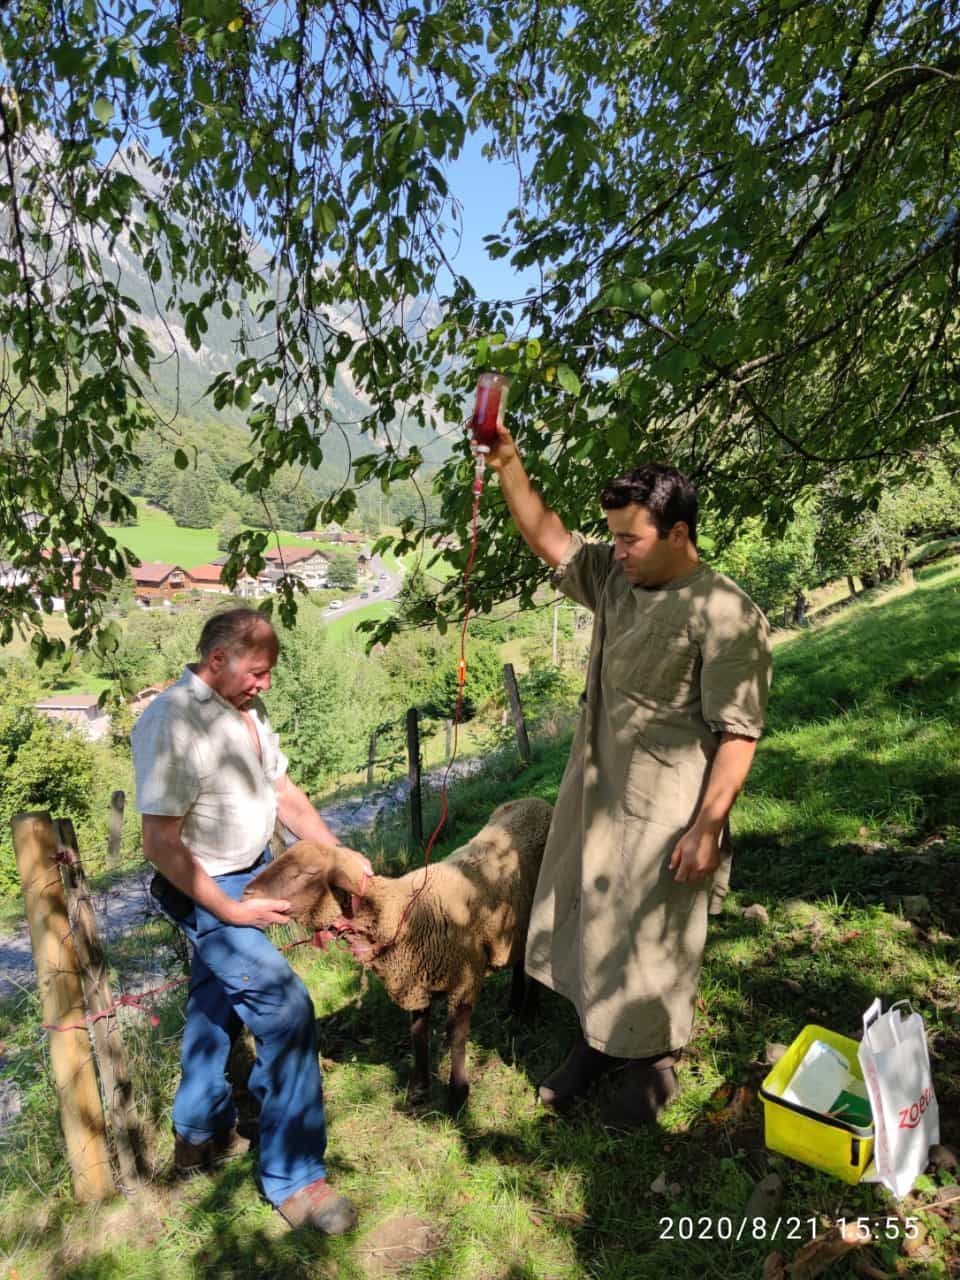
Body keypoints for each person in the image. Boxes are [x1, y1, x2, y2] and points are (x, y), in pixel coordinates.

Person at [486, 428, 772, 1130]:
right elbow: (551, 540)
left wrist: (707, 828)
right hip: (598, 793)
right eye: (612, 537)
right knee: (598, 920)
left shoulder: (726, 614)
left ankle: (654, 1063)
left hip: (671, 806)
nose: (616, 551)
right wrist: (508, 463)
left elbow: (739, 733)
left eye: (630, 539)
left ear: (679, 532)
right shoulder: (617, 577)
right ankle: (599, 1043)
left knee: (654, 933)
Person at [130, 607, 372, 1233]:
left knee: (216, 999)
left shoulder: (247, 709)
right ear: (218, 661)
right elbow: (160, 843)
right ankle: (295, 1179)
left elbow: (285, 793)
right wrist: (232, 910)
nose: (265, 684)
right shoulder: (170, 724)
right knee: (285, 1008)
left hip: (251, 871)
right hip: (203, 886)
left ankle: (197, 1133)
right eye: (258, 672)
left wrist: (337, 858)